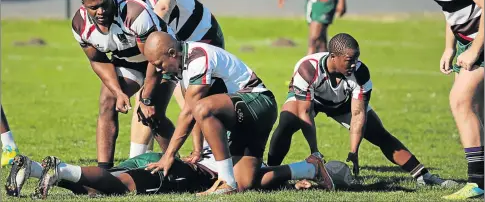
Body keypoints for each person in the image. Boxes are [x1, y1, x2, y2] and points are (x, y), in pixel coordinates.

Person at [141, 32, 334, 195]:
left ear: (172, 53)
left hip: (259, 103)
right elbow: (194, 110)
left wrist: (169, 155)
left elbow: (191, 112)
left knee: (202, 108)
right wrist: (197, 150)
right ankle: (310, 168)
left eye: (159, 63)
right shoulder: (182, 65)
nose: (159, 69)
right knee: (245, 182)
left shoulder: (198, 58)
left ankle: (226, 181)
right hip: (241, 118)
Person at [267, 33, 458, 188]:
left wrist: (353, 151)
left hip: (343, 104)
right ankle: (271, 172)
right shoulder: (307, 68)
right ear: (333, 57)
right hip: (312, 100)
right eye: (349, 60)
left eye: (356, 58)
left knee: (380, 134)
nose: (354, 64)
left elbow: (358, 114)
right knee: (287, 122)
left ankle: (423, 176)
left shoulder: (360, 72)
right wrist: (314, 151)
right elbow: (305, 113)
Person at [390, 0, 484, 199]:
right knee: (476, 111)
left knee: (460, 101)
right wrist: (449, 48)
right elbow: (451, 12)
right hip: (467, 44)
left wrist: (475, 50)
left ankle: (477, 182)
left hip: (480, 44)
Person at [107, 0, 225, 160]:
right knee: (151, 108)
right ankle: (160, 161)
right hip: (170, 54)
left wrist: (148, 31)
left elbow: (163, 8)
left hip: (201, 43)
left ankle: (210, 156)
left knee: (196, 106)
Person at [71, 0, 177, 170]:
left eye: (104, 4)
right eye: (93, 8)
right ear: (84, 6)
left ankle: (174, 165)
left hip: (163, 61)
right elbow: (98, 60)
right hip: (129, 61)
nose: (100, 11)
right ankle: (104, 172)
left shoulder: (134, 13)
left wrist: (145, 99)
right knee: (107, 101)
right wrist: (119, 92)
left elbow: (154, 60)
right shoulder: (79, 24)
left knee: (153, 113)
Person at [103, 0, 178, 158]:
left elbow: (164, 7)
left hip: (188, 36)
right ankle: (137, 160)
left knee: (192, 102)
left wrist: (148, 38)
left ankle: (206, 159)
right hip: (158, 40)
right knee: (145, 100)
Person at [6, 148, 336, 198]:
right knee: (121, 187)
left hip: (158, 155)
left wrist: (301, 174)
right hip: (181, 169)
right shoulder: (241, 153)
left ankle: (34, 168)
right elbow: (261, 176)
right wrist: (305, 170)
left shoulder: (206, 109)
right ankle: (61, 169)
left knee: (98, 189)